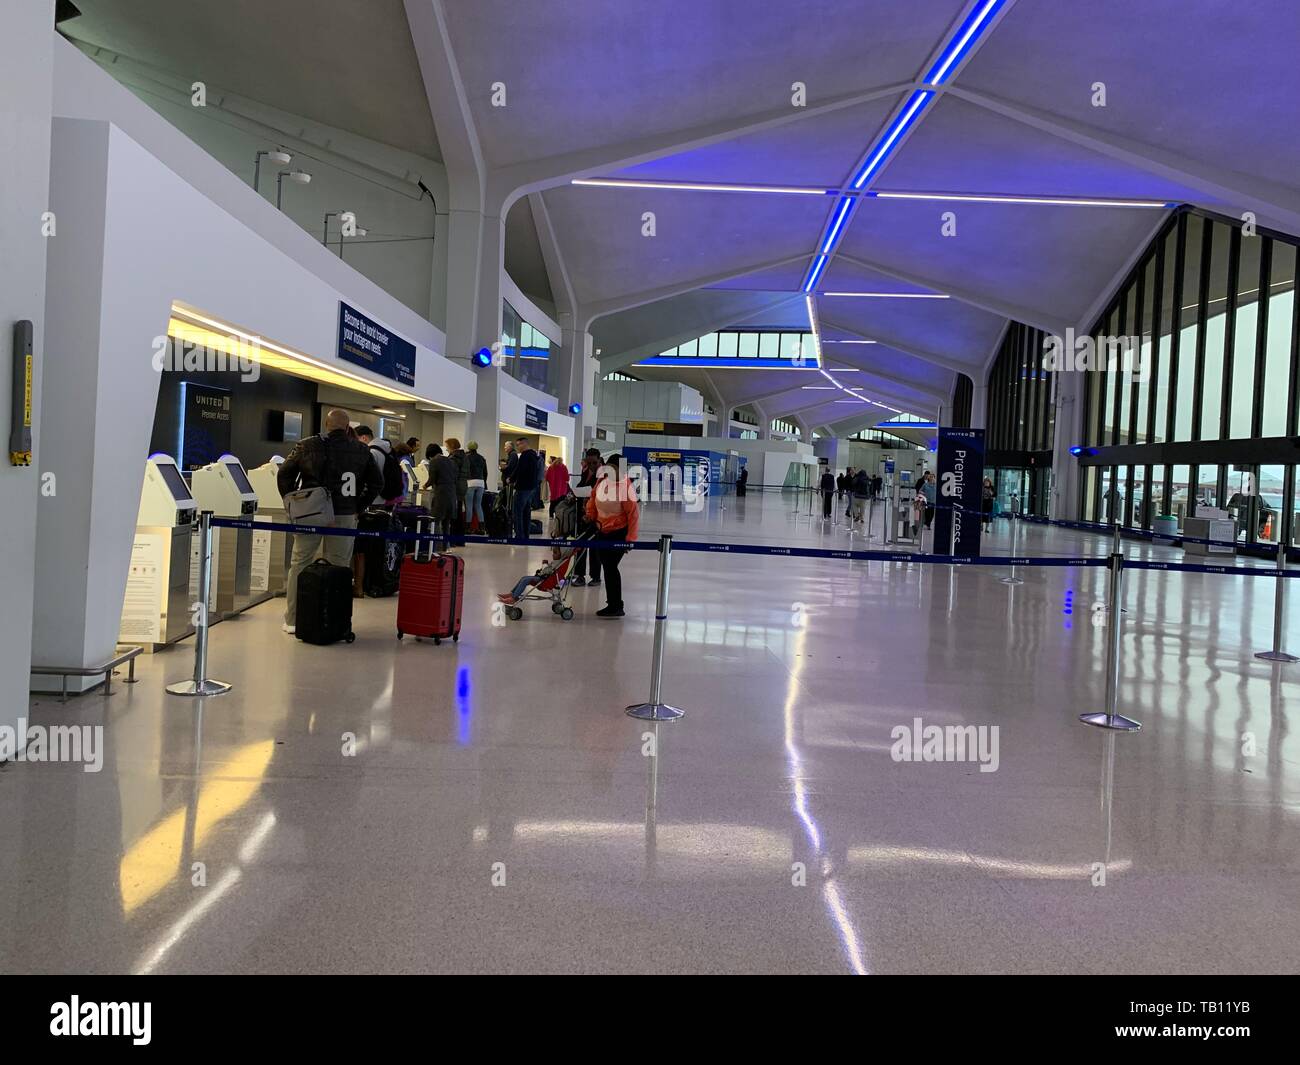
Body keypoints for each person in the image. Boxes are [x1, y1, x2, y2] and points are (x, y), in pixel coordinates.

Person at [277, 408, 382, 635]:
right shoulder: (361, 450)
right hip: (344, 513)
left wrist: (293, 502)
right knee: (340, 566)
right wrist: (359, 506)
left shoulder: (306, 445)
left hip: (310, 512)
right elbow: (377, 483)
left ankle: (293, 619)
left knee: (300, 563)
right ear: (347, 427)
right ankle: (336, 619)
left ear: (326, 424)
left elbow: (284, 474)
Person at [585, 454, 639, 618]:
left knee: (610, 566)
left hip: (618, 532)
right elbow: (593, 498)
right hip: (601, 529)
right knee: (607, 566)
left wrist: (630, 539)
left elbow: (633, 514)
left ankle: (616, 605)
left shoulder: (625, 486)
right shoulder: (602, 481)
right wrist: (590, 515)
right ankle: (614, 604)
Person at [571, 448, 602, 587]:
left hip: (597, 516)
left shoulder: (605, 474)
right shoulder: (586, 471)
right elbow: (581, 485)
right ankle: (580, 575)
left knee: (595, 548)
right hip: (583, 514)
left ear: (599, 460)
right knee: (580, 546)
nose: (591, 466)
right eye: (588, 463)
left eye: (594, 463)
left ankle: (596, 577)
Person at [509, 436, 541, 539]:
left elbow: (520, 470)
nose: (518, 447)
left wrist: (511, 479)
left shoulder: (525, 456)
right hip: (531, 488)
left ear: (524, 444)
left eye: (518, 445)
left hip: (523, 488)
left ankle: (519, 535)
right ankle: (526, 535)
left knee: (517, 512)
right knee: (526, 512)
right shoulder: (534, 456)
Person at [424, 443, 458, 539]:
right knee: (447, 522)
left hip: (441, 493)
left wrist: (425, 486)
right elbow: (455, 477)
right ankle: (445, 547)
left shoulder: (434, 461)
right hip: (452, 493)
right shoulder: (451, 461)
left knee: (435, 520)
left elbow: (432, 479)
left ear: (430, 454)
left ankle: (435, 546)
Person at [464, 441, 488, 534]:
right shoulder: (482, 458)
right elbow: (485, 473)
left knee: (469, 506)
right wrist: (484, 482)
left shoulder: (467, 458)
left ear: (469, 448)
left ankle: (468, 528)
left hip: (470, 482)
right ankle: (482, 528)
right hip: (481, 482)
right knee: (478, 505)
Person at [445, 437, 468, 530]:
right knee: (459, 512)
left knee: (454, 513)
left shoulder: (454, 458)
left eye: (447, 446)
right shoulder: (464, 456)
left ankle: (454, 537)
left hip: (456, 487)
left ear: (451, 446)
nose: (446, 448)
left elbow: (452, 473)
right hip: (463, 486)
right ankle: (460, 538)